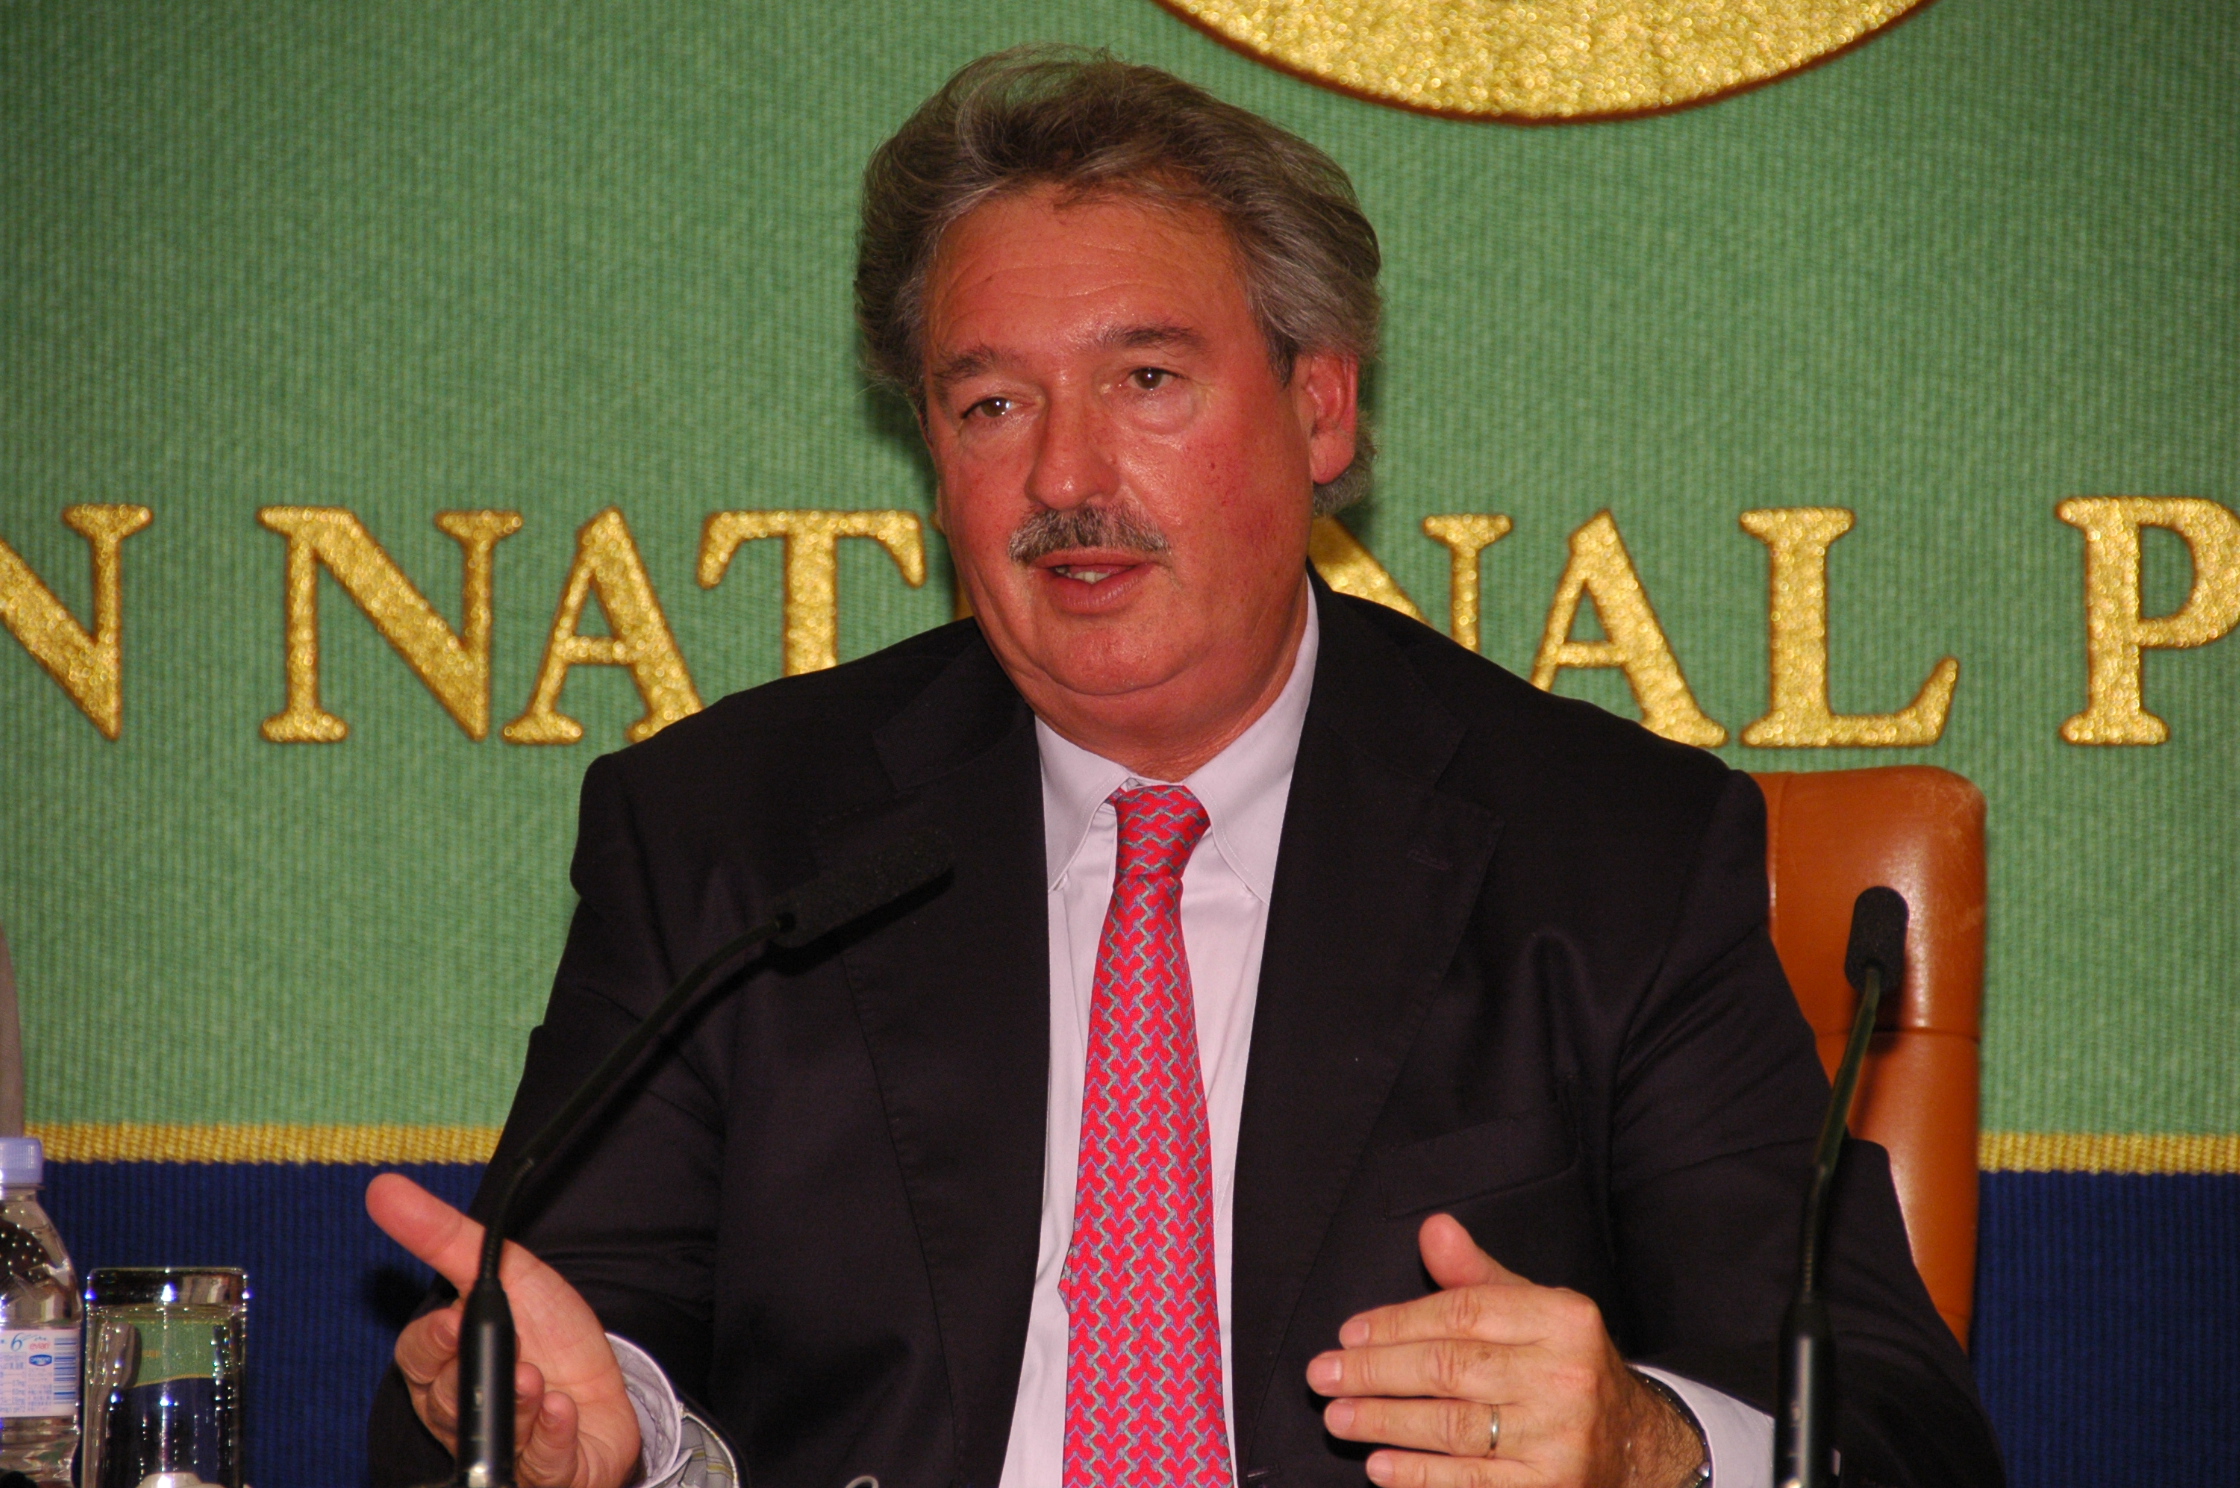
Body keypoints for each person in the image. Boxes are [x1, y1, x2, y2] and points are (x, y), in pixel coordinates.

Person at [367, 48, 2002, 1488]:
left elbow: (1898, 1432)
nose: (1063, 476)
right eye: (991, 404)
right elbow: (524, 1372)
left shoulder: (1610, 851)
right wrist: (593, 1443)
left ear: (1321, 408)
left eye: (1146, 381)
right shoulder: (731, 839)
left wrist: (1651, 1452)